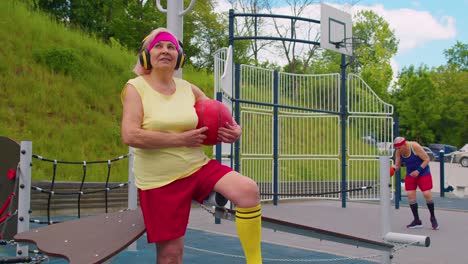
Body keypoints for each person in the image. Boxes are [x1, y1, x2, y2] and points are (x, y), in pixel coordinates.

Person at [120, 27, 263, 264]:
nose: (165, 51)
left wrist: (235, 129)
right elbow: (130, 135)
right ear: (147, 55)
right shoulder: (136, 87)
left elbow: (218, 114)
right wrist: (179, 139)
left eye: (171, 47)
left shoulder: (188, 88)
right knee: (171, 256)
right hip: (160, 181)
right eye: (158, 46)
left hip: (197, 167)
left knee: (247, 190)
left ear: (179, 56)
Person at [393, 137, 439, 230]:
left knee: (426, 193)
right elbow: (397, 165)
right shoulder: (398, 152)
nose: (398, 150)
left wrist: (418, 171)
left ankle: (433, 217)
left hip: (423, 171)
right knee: (410, 195)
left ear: (405, 144)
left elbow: (427, 159)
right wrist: (391, 170)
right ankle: (417, 220)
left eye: (399, 148)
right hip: (410, 173)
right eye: (397, 148)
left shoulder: (414, 146)